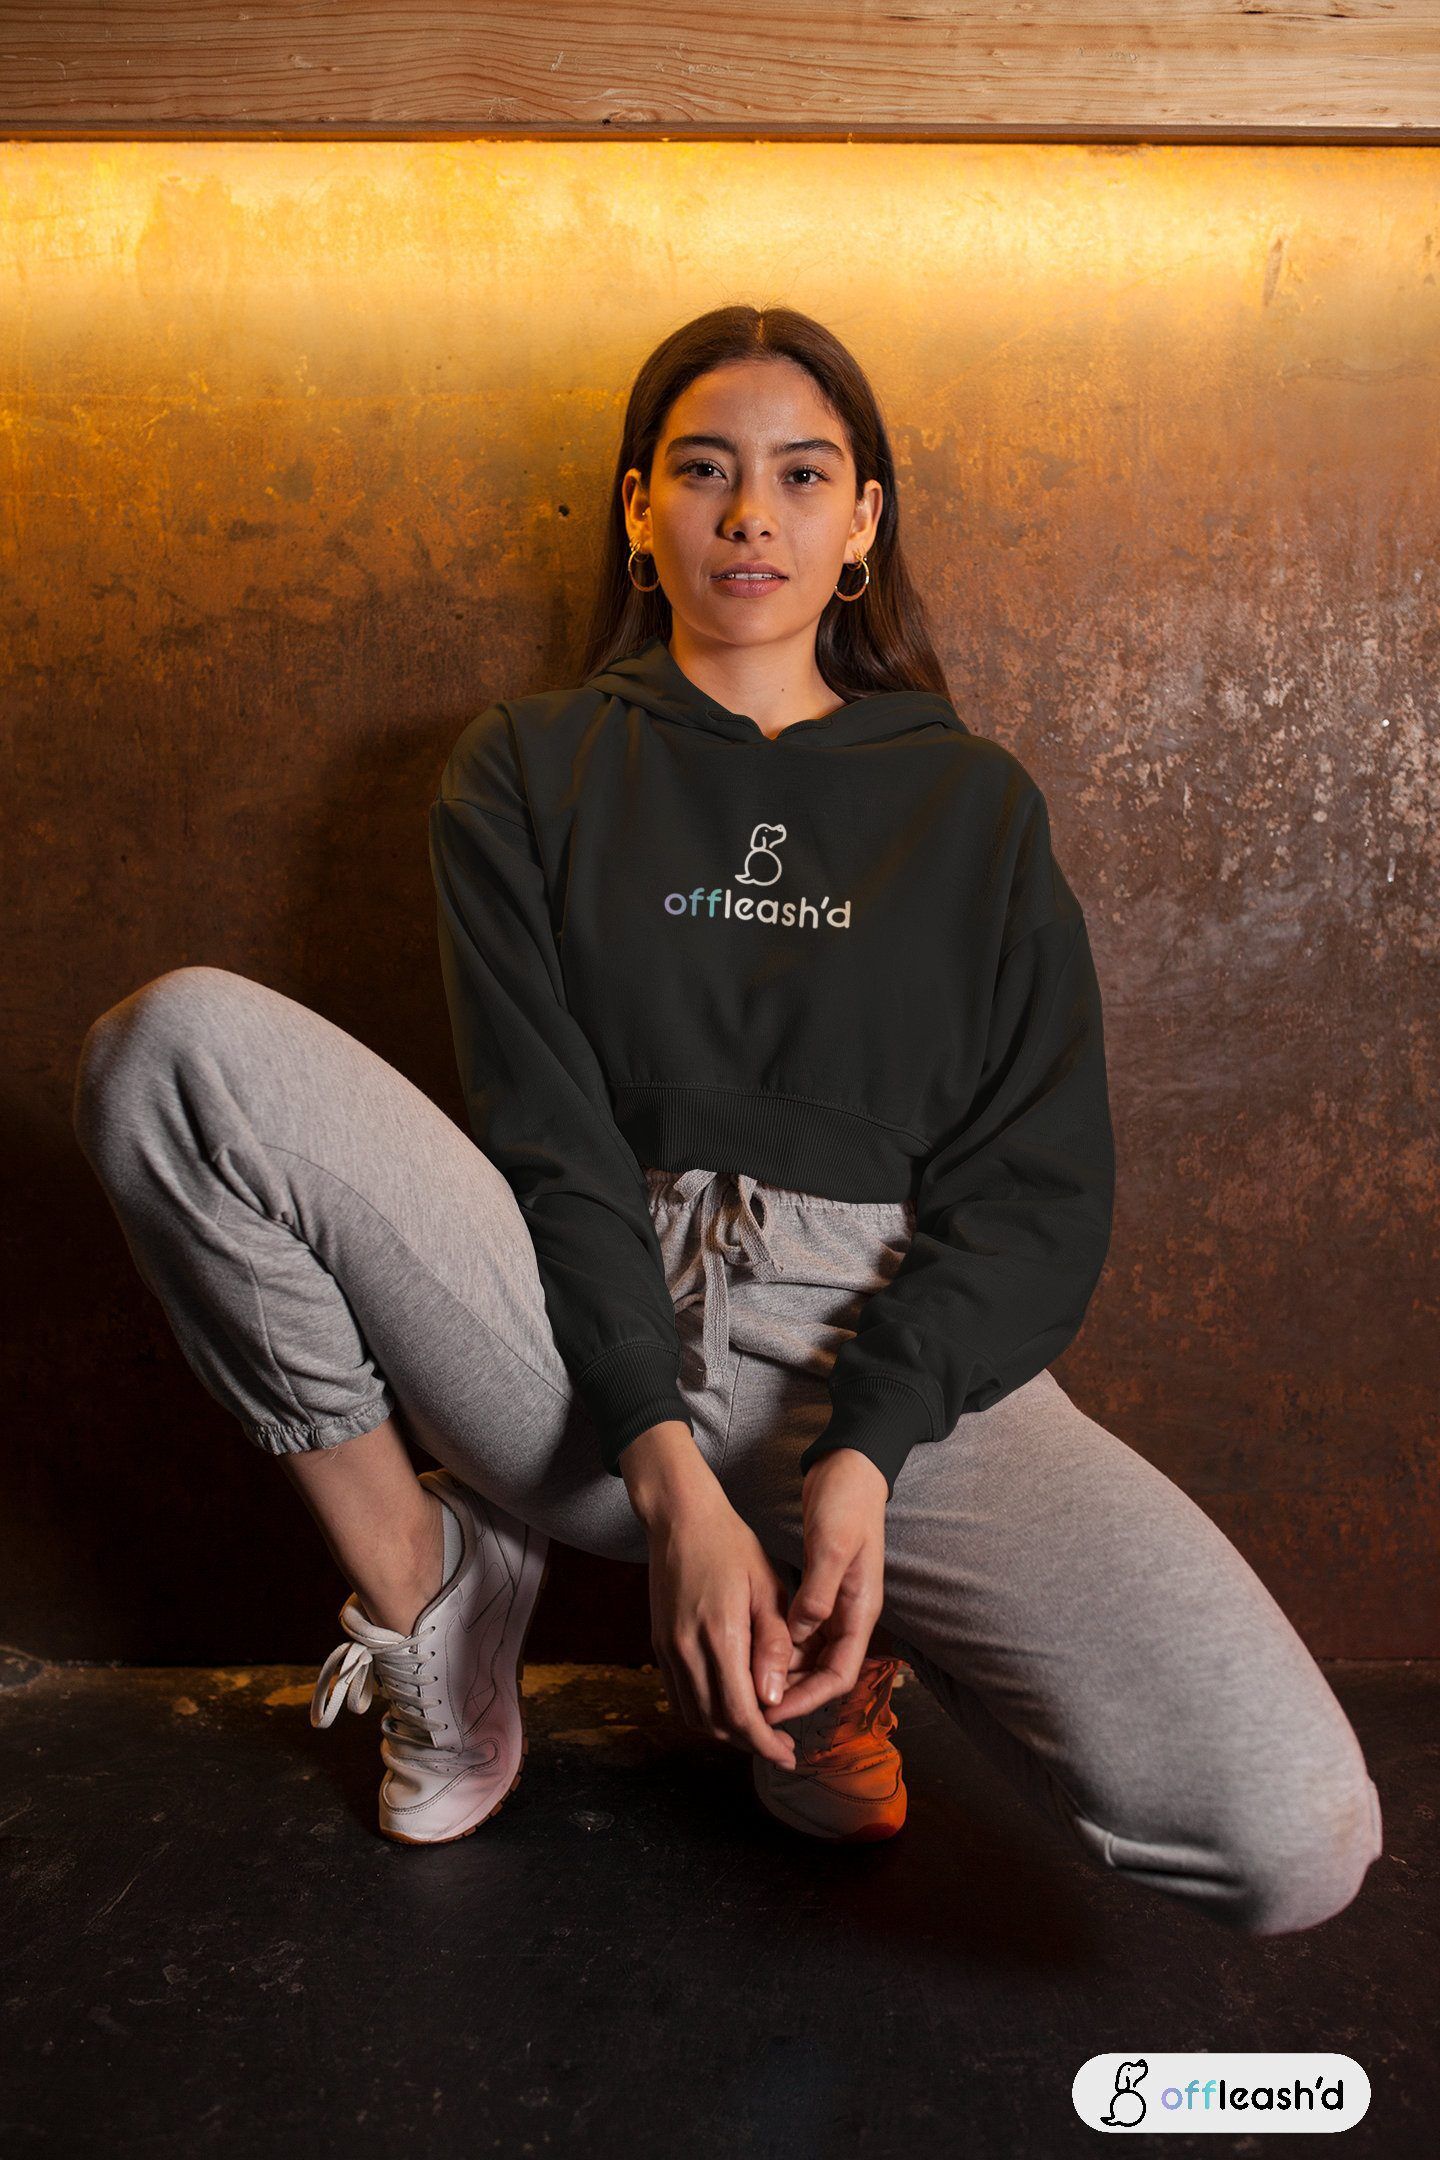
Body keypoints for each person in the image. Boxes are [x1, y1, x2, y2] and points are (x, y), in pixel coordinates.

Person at [72, 303, 1382, 1925]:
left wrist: (865, 1459)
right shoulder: (529, 766)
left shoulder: (973, 805)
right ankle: (433, 1584)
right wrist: (672, 1478)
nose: (752, 512)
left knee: (1295, 1843)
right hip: (569, 1335)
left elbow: (1036, 1190)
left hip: (882, 1346)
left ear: (863, 521)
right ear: (640, 510)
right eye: (703, 470)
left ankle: (829, 1653)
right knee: (175, 1048)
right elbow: (547, 1131)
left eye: (802, 475)